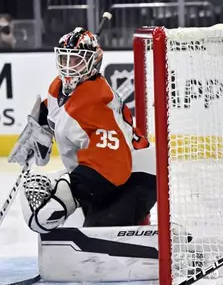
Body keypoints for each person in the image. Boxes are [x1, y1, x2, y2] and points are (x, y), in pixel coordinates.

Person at [9, 27, 156, 234]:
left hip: (134, 177)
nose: (69, 67)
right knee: (47, 196)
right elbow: (53, 107)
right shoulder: (59, 86)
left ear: (93, 62)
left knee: (97, 233)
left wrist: (69, 191)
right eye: (65, 59)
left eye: (76, 60)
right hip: (107, 171)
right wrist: (40, 126)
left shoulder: (96, 100)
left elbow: (114, 165)